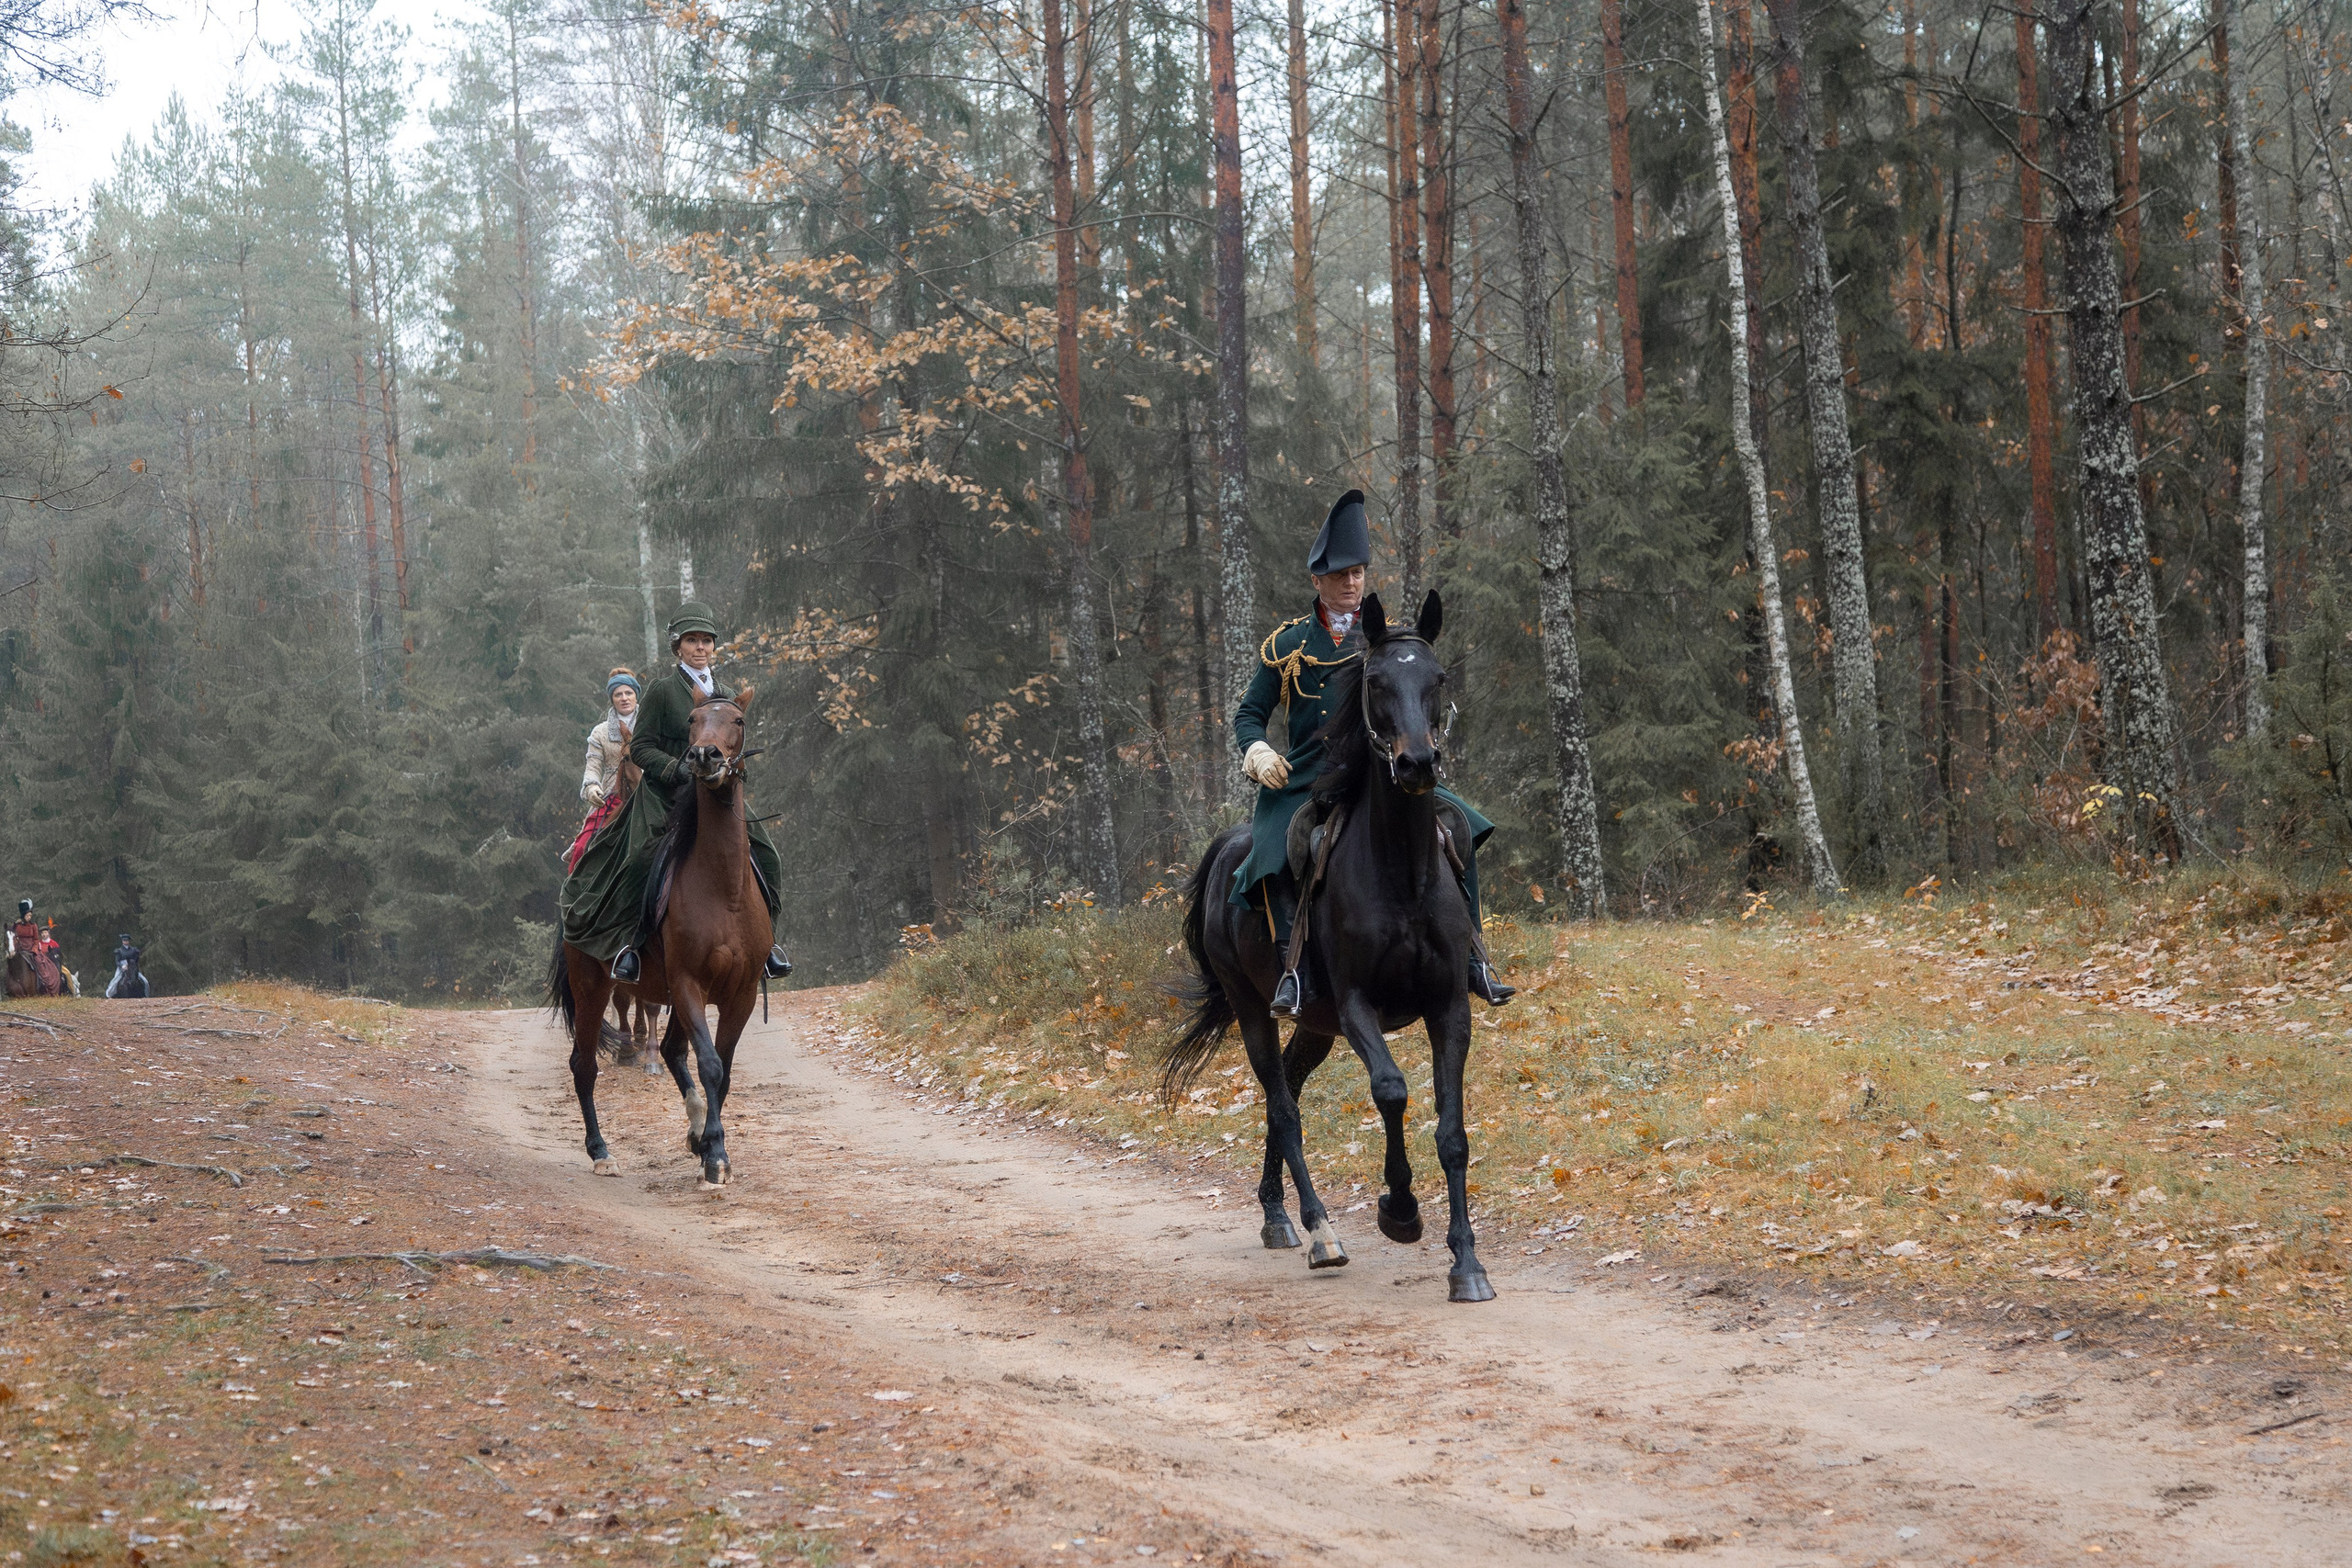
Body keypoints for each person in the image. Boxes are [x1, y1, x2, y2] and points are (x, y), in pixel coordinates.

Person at [1231, 489, 1513, 1018]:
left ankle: (1474, 955)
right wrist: (1259, 752)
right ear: (1318, 581)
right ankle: (1292, 973)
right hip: (1307, 778)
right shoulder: (1288, 645)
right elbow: (1249, 714)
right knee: (1276, 850)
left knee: (1456, 824)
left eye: (1358, 572)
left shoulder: (1385, 639)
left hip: (1381, 771)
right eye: (1341, 576)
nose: (1352, 583)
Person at [560, 602, 791, 983]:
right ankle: (629, 947)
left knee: (769, 856)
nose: (700, 648)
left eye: (706, 641)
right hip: (664, 797)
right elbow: (642, 747)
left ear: (713, 647)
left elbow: (735, 747)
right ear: (677, 647)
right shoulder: (662, 691)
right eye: (691, 641)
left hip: (716, 800)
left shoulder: (728, 693)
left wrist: (731, 773)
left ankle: (768, 948)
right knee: (639, 859)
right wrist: (677, 769)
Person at [566, 670, 641, 874]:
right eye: (618, 694)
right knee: (582, 847)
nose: (624, 698)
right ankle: (577, 902)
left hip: (649, 792)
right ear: (612, 699)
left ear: (636, 695)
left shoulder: (651, 725)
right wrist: (591, 788)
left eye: (629, 693)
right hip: (612, 796)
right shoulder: (600, 732)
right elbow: (593, 766)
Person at [106, 933, 149, 999]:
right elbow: (117, 961)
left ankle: (146, 995)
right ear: (122, 941)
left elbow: (136, 959)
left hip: (132, 967)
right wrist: (122, 966)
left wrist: (134, 966)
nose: (125, 942)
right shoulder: (119, 951)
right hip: (122, 967)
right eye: (124, 940)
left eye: (127, 940)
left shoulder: (134, 950)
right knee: (116, 980)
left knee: (145, 981)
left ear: (129, 941)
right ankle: (110, 994)